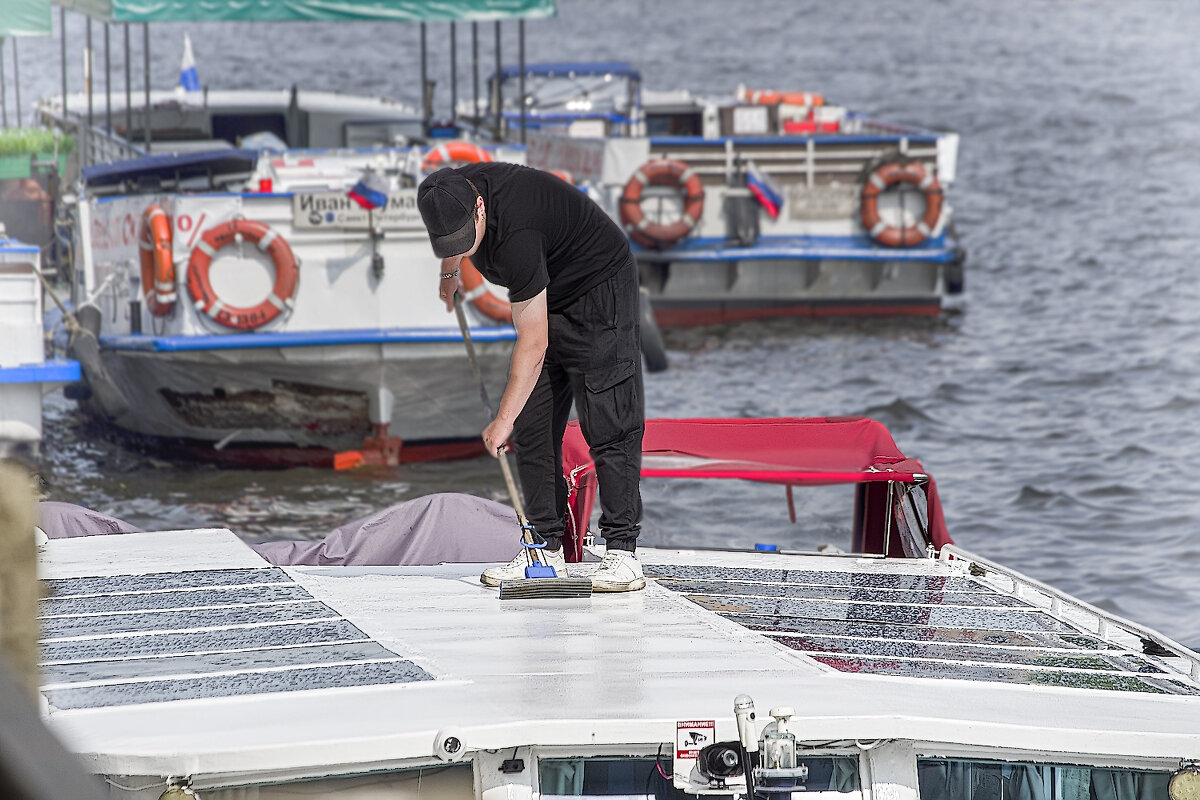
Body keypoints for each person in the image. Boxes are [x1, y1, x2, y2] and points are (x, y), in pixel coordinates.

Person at [417, 162, 646, 592]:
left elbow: (534, 342)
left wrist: (500, 420)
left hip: (599, 285)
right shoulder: (446, 191)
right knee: (534, 424)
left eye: (466, 238)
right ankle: (545, 548)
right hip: (546, 285)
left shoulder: (517, 236)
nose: (463, 246)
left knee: (609, 418)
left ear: (480, 208)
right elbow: (454, 222)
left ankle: (621, 552)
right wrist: (450, 270)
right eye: (451, 243)